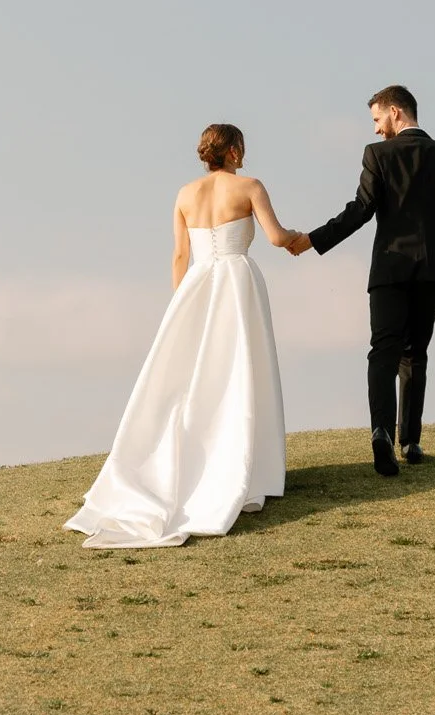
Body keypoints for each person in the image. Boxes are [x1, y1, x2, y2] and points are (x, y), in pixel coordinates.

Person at [64, 124, 299, 547]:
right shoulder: (250, 186)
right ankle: (245, 469)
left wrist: (179, 307)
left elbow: (179, 255)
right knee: (238, 370)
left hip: (196, 284)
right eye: (241, 145)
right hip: (236, 282)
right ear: (232, 150)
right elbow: (277, 237)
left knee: (191, 377)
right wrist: (303, 239)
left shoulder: (184, 194)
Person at [286, 86, 435, 476]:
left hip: (389, 271)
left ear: (396, 112)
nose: (375, 130)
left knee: (382, 352)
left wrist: (313, 240)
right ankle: (412, 441)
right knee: (415, 353)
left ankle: (382, 433)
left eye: (376, 119)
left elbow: (361, 210)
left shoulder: (378, 156)